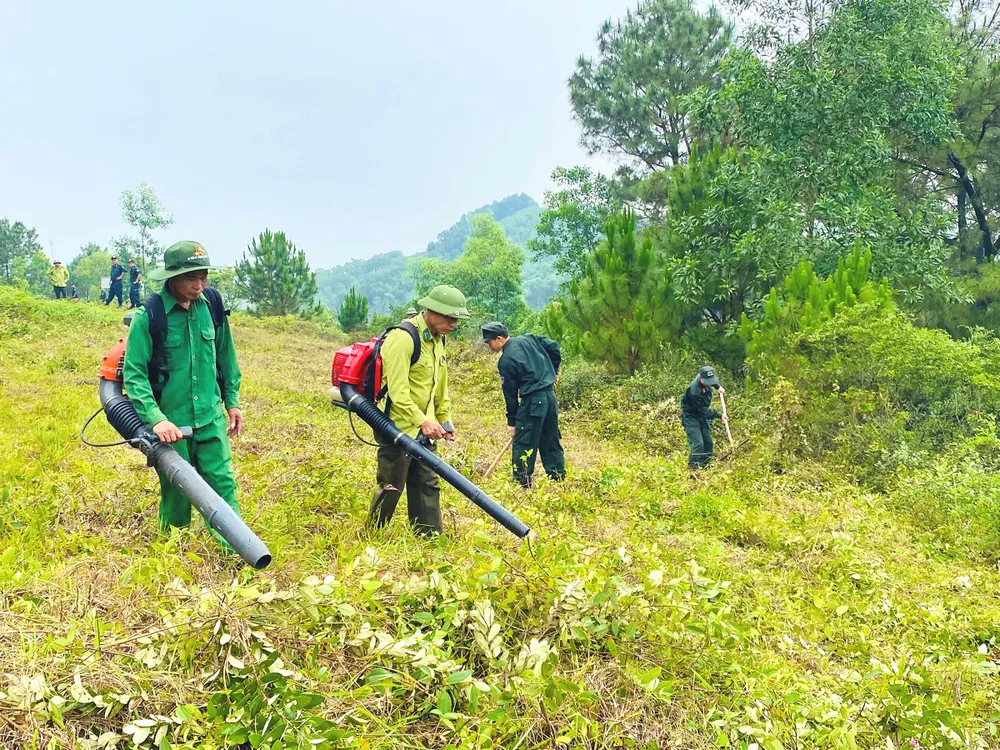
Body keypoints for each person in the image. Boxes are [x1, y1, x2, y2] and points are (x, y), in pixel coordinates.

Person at [122, 241, 244, 548]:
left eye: (204, 276)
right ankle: (172, 553)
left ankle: (234, 549)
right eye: (192, 278)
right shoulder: (148, 316)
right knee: (178, 490)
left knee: (222, 483)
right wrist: (157, 420)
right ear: (172, 278)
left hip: (210, 419)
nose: (200, 284)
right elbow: (134, 375)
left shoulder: (212, 306)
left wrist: (232, 401)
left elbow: (226, 356)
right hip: (171, 425)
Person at [368, 285, 469, 535]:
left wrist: (444, 420)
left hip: (426, 429)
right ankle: (374, 534)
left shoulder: (438, 339)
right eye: (449, 317)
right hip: (397, 427)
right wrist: (422, 420)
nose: (453, 323)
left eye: (457, 318)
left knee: (427, 483)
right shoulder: (403, 338)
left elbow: (439, 385)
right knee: (392, 485)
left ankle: (429, 537)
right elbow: (399, 392)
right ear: (430, 310)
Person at [480, 322, 565, 488]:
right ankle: (558, 480)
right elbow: (554, 347)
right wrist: (553, 373)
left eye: (489, 342)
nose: (488, 345)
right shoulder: (529, 339)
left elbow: (510, 395)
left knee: (524, 443)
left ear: (499, 338)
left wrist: (512, 422)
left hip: (533, 403)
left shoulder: (506, 361)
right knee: (550, 439)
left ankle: (522, 484)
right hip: (550, 399)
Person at [681, 366, 727, 470]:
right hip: (691, 416)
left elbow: (711, 380)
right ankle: (693, 470)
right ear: (701, 378)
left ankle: (706, 466)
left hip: (701, 415)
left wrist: (718, 386)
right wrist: (719, 416)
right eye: (707, 382)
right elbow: (703, 410)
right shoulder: (694, 391)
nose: (709, 383)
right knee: (698, 444)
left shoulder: (706, 378)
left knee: (708, 442)